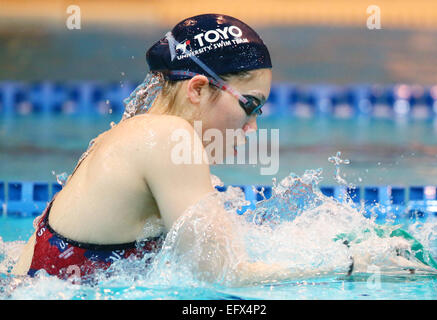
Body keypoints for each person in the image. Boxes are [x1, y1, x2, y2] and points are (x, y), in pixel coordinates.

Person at [12, 13, 307, 285]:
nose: (252, 127)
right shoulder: (169, 136)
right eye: (250, 105)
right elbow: (223, 275)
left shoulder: (131, 134)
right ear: (198, 89)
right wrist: (346, 266)